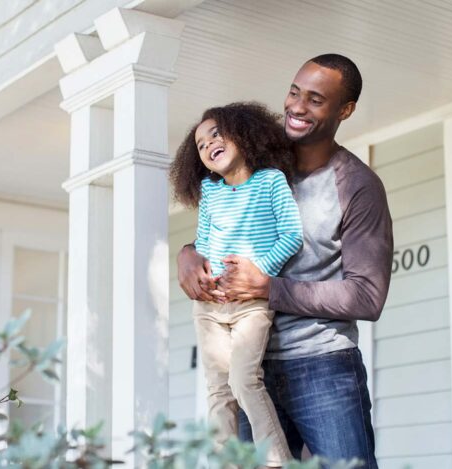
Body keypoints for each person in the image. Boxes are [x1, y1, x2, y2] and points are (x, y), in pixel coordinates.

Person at [176, 54, 393, 469]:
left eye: (315, 100)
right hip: (247, 363)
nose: (296, 107)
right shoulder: (255, 158)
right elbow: (223, 232)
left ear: (344, 110)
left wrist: (269, 288)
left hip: (322, 367)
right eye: (294, 92)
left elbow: (367, 297)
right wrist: (187, 255)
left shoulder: (357, 186)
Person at [169, 102, 304, 468]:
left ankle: (276, 460)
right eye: (200, 144)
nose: (209, 143)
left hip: (251, 302)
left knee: (245, 380)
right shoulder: (211, 192)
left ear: (244, 134)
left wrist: (258, 272)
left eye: (216, 133)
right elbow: (204, 240)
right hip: (211, 305)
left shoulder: (272, 180)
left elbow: (292, 235)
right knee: (217, 389)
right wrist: (202, 271)